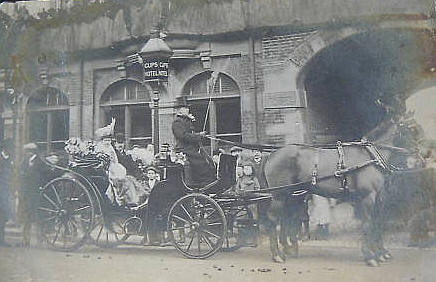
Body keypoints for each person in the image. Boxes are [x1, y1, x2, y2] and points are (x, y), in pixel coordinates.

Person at [171, 96, 216, 187]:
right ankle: (202, 184)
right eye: (185, 108)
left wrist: (197, 130)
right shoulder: (177, 122)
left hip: (192, 148)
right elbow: (183, 136)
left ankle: (208, 182)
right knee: (201, 164)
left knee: (209, 161)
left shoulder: (187, 121)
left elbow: (192, 132)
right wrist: (198, 135)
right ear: (179, 110)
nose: (188, 110)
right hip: (184, 149)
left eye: (187, 108)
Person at [0, 139, 13, 247]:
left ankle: (2, 239)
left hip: (5, 191)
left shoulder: (8, 159)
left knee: (3, 217)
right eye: (10, 148)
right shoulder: (1, 159)